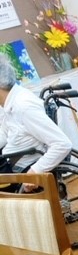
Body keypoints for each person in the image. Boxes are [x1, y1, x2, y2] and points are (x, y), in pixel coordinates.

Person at [0, 54, 72, 192]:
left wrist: (34, 172)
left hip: (20, 167)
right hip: (11, 159)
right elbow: (5, 132)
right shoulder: (8, 101)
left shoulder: (23, 106)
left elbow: (62, 144)